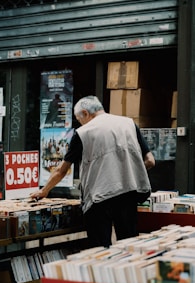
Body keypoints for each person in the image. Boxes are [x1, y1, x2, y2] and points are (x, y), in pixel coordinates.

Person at [31, 95, 155, 247]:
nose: (80, 122)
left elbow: (61, 171)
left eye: (78, 118)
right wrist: (127, 171)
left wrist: (44, 191)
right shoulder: (129, 123)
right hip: (129, 193)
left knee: (100, 249)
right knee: (129, 246)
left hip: (99, 198)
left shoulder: (84, 133)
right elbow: (150, 161)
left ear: (85, 113)